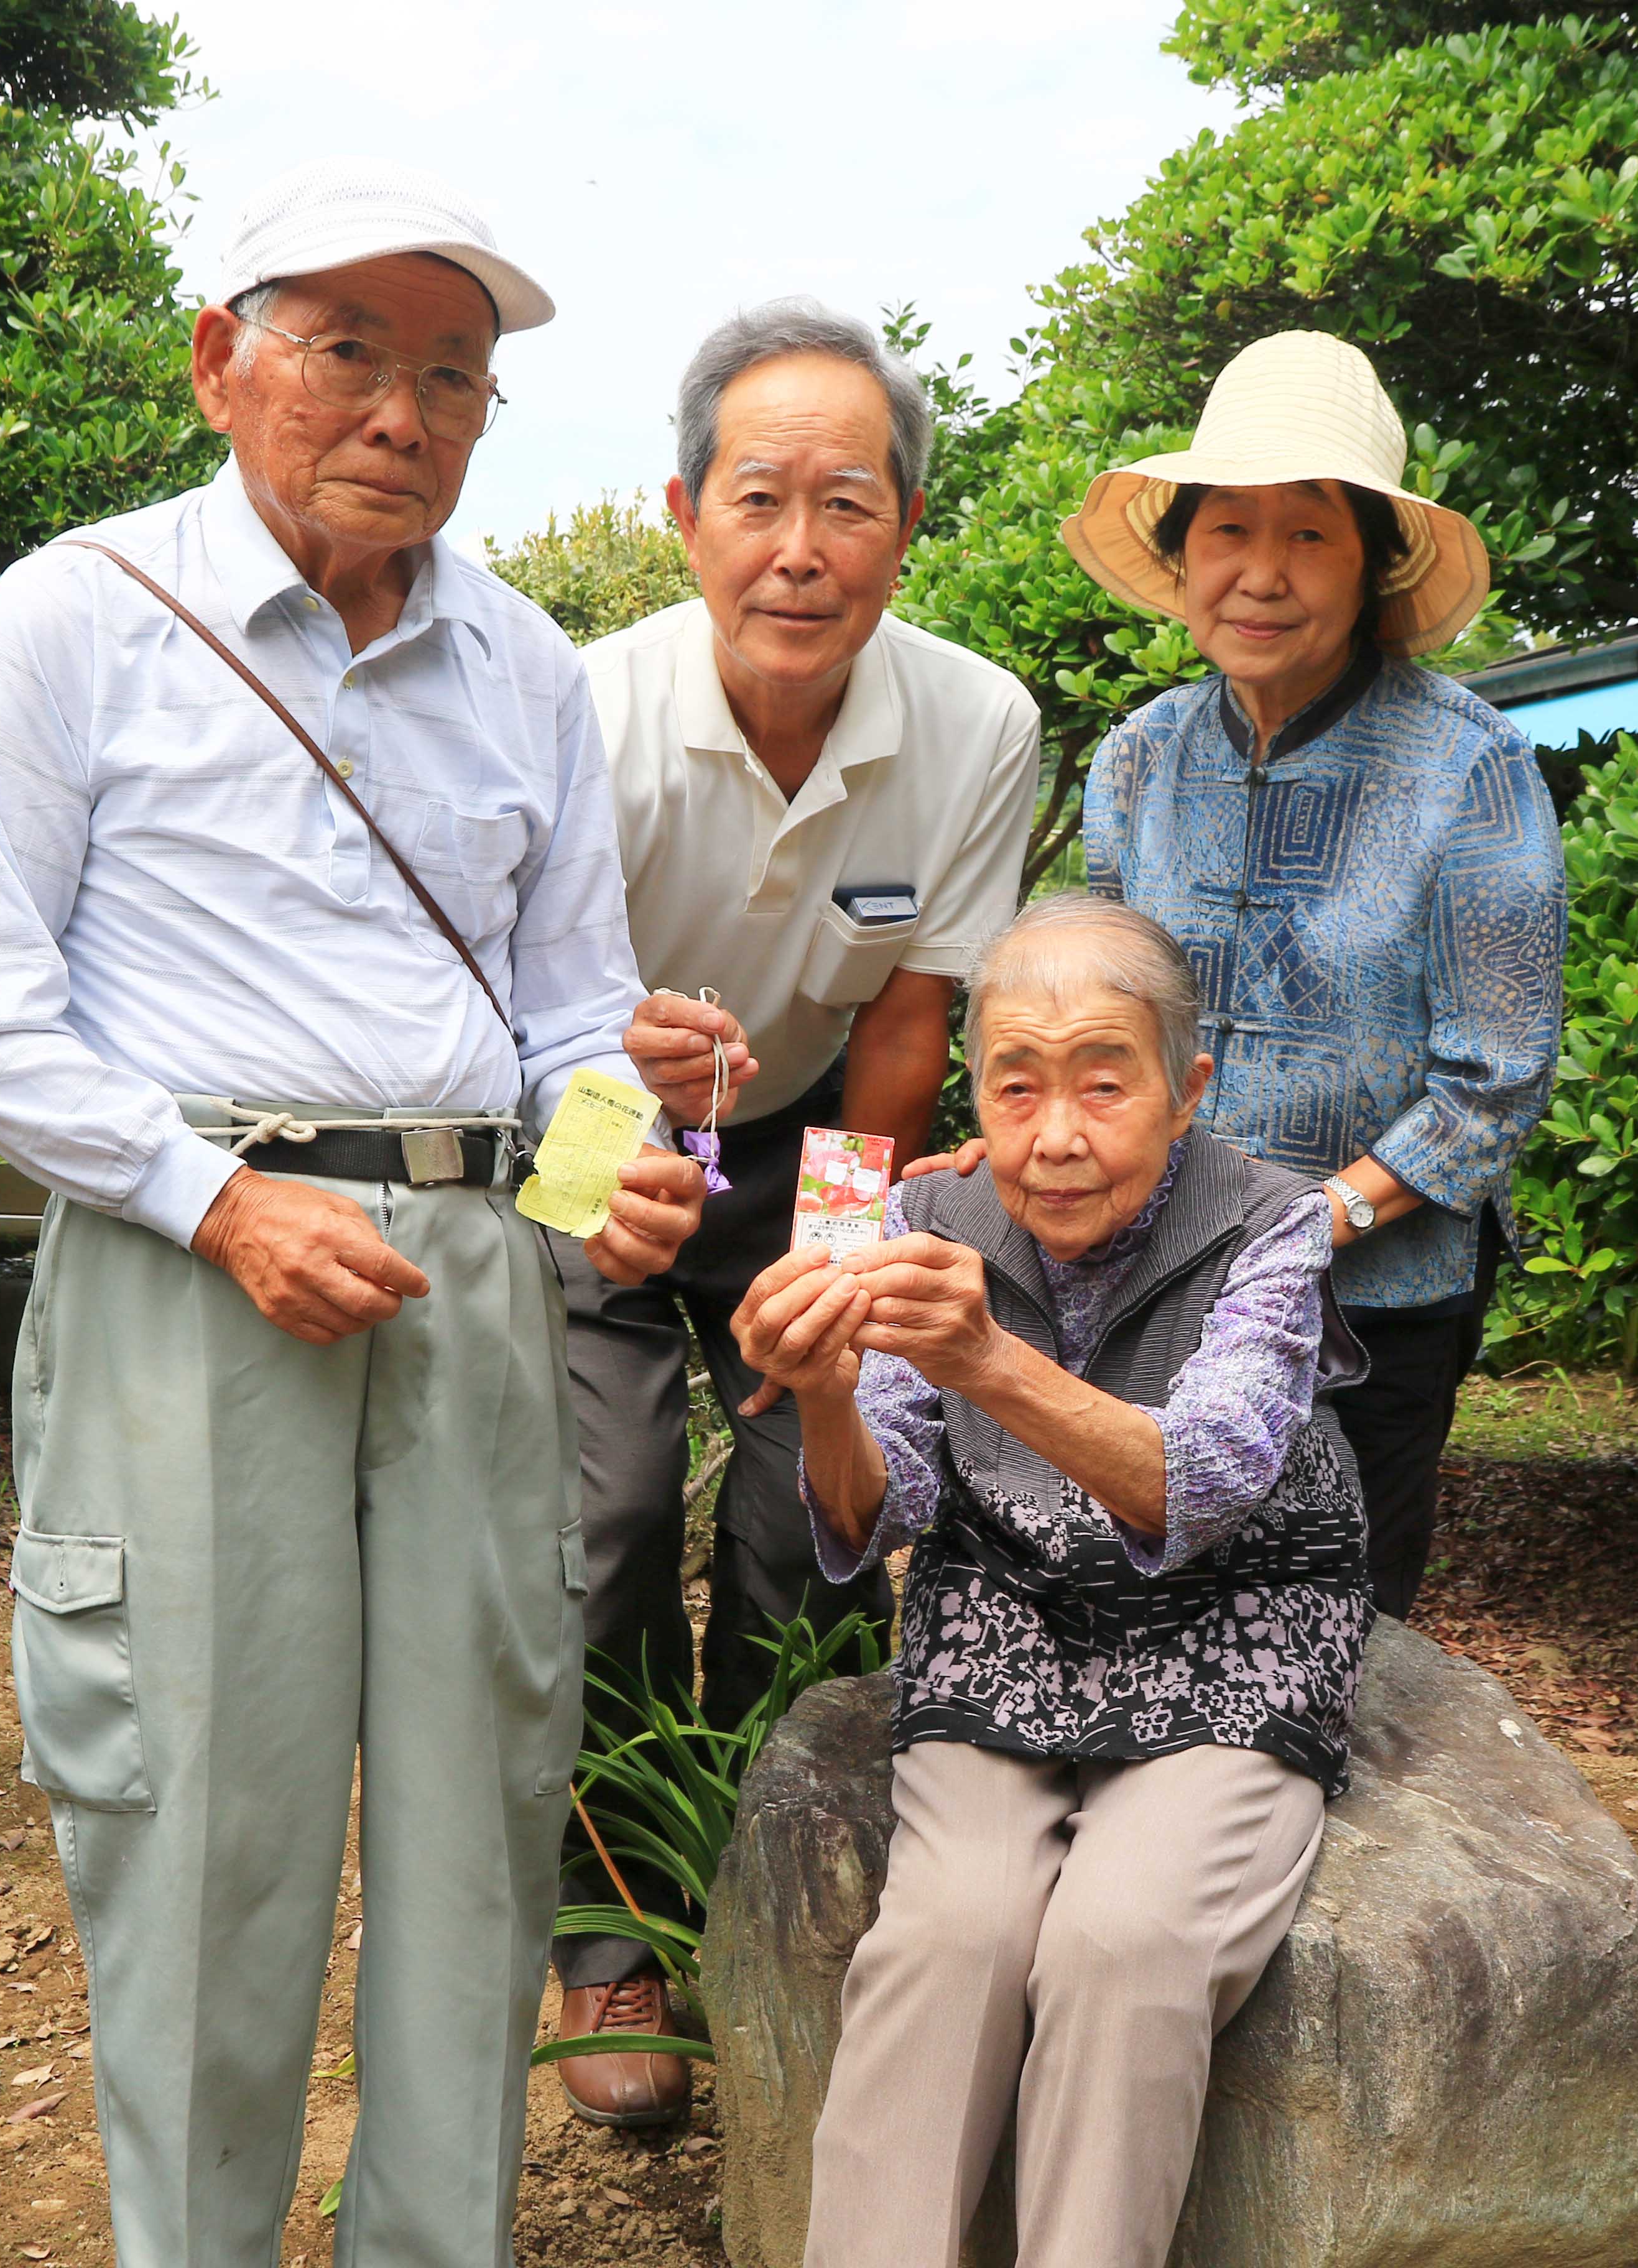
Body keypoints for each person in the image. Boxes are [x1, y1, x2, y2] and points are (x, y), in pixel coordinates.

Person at [0, 157, 733, 2268]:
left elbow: (562, 1019)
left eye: (451, 373)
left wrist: (607, 1188)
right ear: (218, 362)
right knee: (197, 1830)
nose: (402, 409)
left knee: (476, 1830)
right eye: (344, 350)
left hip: (468, 1285)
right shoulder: (71, 616)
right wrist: (218, 1203)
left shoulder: (527, 664)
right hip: (195, 1271)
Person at [545, 300, 1040, 2126]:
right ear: (684, 512)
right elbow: (535, 1007)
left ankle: (772, 1894)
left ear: (908, 527)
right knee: (593, 1511)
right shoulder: (581, 708)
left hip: (830, 1130)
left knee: (807, 1522)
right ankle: (605, 1927)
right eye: (760, 499)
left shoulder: (977, 720)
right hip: (600, 1122)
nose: (802, 549)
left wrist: (827, 1283)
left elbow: (912, 1019)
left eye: (851, 504)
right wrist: (614, 1167)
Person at [736, 895, 1368, 2268]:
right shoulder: (915, 1210)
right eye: (1016, 1087)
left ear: (1188, 1089)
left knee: (1126, 1943)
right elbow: (881, 1508)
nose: (1057, 1135)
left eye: (1104, 1081)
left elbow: (1207, 1480)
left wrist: (988, 1365)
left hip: (1233, 1633)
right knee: (949, 1936)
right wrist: (826, 1393)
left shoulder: (1274, 1227)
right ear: (975, 1091)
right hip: (1008, 1619)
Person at [1057, 328, 1566, 1622]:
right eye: (1229, 531)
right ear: (1181, 560)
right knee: (1147, 1615)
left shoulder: (1473, 768)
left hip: (1377, 1306)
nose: (1262, 576)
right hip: (1157, 1287)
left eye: (1310, 536)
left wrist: (1305, 1229)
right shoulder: (1136, 764)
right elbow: (1100, 1025)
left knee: (1331, 1640)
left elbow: (1494, 1083)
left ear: (1375, 563)